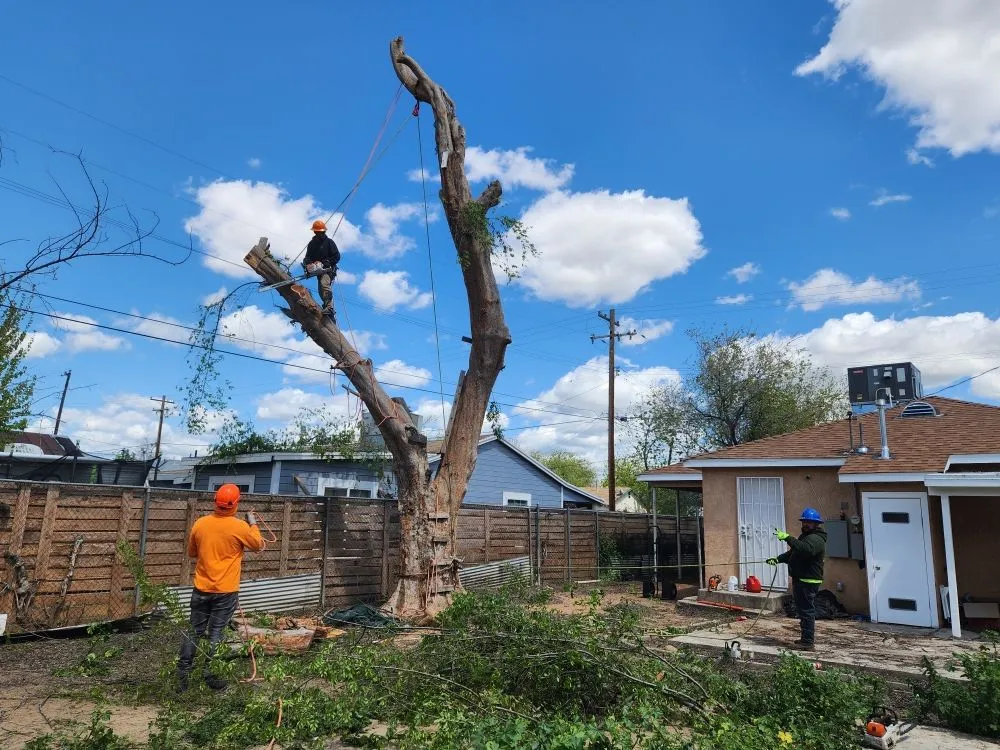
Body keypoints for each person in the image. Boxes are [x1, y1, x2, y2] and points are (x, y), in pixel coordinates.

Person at [177, 483, 264, 692]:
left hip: (201, 588)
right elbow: (259, 545)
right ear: (236, 503)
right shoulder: (240, 527)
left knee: (194, 631)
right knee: (216, 632)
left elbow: (192, 553)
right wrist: (252, 523)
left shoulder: (200, 524)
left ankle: (182, 675)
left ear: (215, 502)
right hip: (225, 591)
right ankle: (211, 676)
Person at [767, 507, 827, 652]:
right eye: (804, 521)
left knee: (807, 611)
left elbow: (805, 550)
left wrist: (788, 538)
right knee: (803, 611)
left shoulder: (816, 539)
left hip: (808, 581)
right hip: (801, 579)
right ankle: (804, 639)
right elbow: (793, 553)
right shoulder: (805, 537)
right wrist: (778, 559)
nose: (805, 524)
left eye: (809, 522)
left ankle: (807, 642)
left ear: (816, 524)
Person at [303, 219, 341, 319]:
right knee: (321, 290)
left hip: (328, 270)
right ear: (315, 232)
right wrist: (308, 263)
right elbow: (308, 257)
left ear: (324, 231)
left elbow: (336, 256)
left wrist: (327, 262)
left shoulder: (329, 242)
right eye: (318, 232)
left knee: (324, 284)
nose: (320, 233)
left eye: (321, 232)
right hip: (318, 271)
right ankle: (326, 306)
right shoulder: (312, 244)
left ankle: (329, 307)